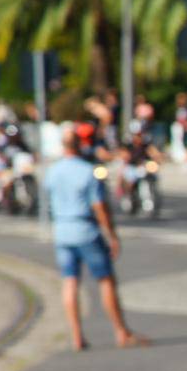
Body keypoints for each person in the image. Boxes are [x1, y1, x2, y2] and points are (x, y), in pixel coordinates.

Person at [43, 125, 149, 351]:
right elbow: (99, 206)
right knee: (105, 280)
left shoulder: (52, 171)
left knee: (70, 282)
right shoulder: (87, 171)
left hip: (62, 230)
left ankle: (76, 335)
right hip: (85, 230)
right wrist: (112, 234)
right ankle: (121, 331)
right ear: (81, 145)